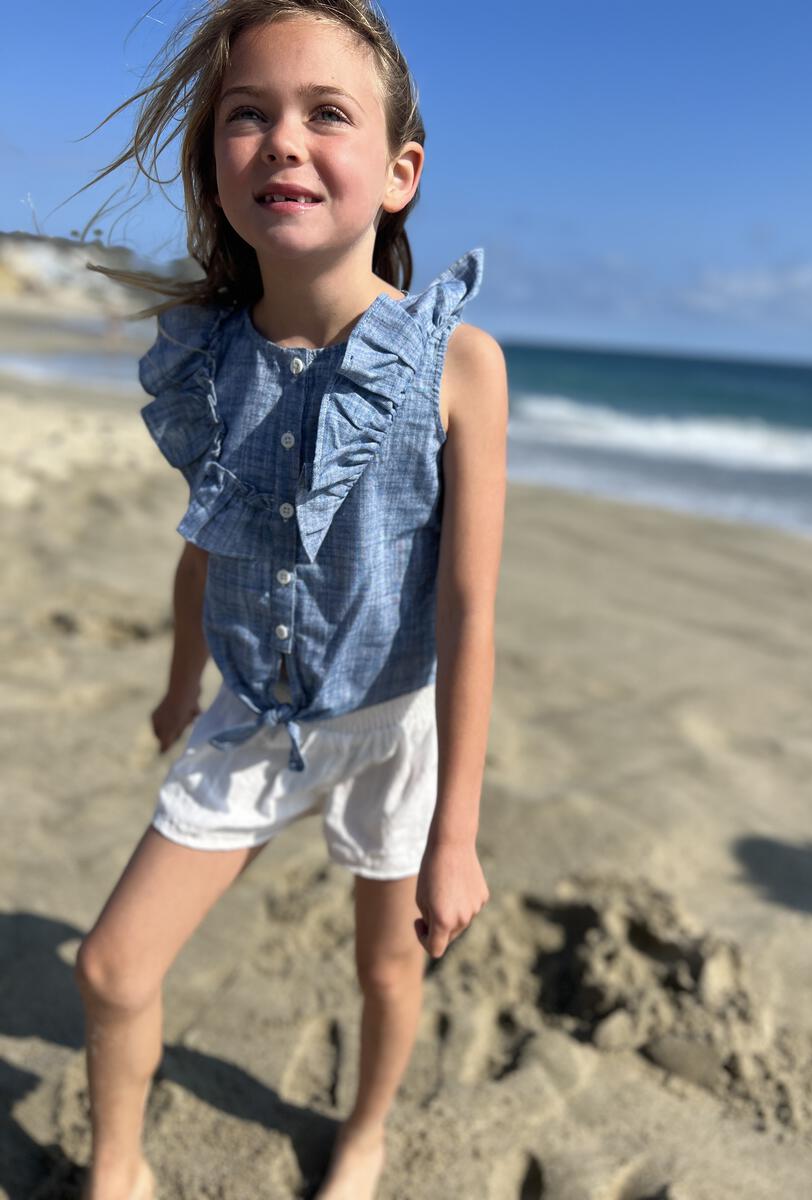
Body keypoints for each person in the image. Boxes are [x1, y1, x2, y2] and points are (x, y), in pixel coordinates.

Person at [71, 2, 508, 1197]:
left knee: (387, 966)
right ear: (216, 165)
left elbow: (470, 608)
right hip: (253, 716)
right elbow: (205, 545)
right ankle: (117, 1170)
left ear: (399, 173)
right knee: (110, 968)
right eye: (248, 115)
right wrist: (180, 684)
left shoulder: (457, 364)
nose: (283, 141)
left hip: (392, 726)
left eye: (327, 114)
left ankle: (364, 1133)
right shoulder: (207, 357)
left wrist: (456, 836)